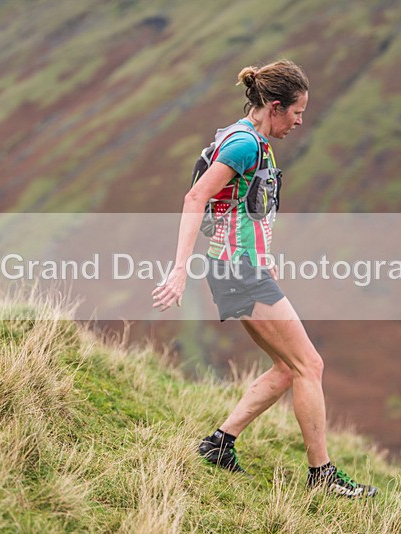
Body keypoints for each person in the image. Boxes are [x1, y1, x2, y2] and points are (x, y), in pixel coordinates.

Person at [152, 59, 377, 498]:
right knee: (309, 365)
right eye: (297, 113)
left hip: (244, 267)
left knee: (287, 367)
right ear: (275, 106)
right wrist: (179, 269)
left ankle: (220, 443)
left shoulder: (253, 140)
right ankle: (322, 477)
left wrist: (264, 256)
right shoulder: (244, 145)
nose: (299, 122)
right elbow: (196, 197)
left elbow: (239, 206)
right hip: (239, 272)